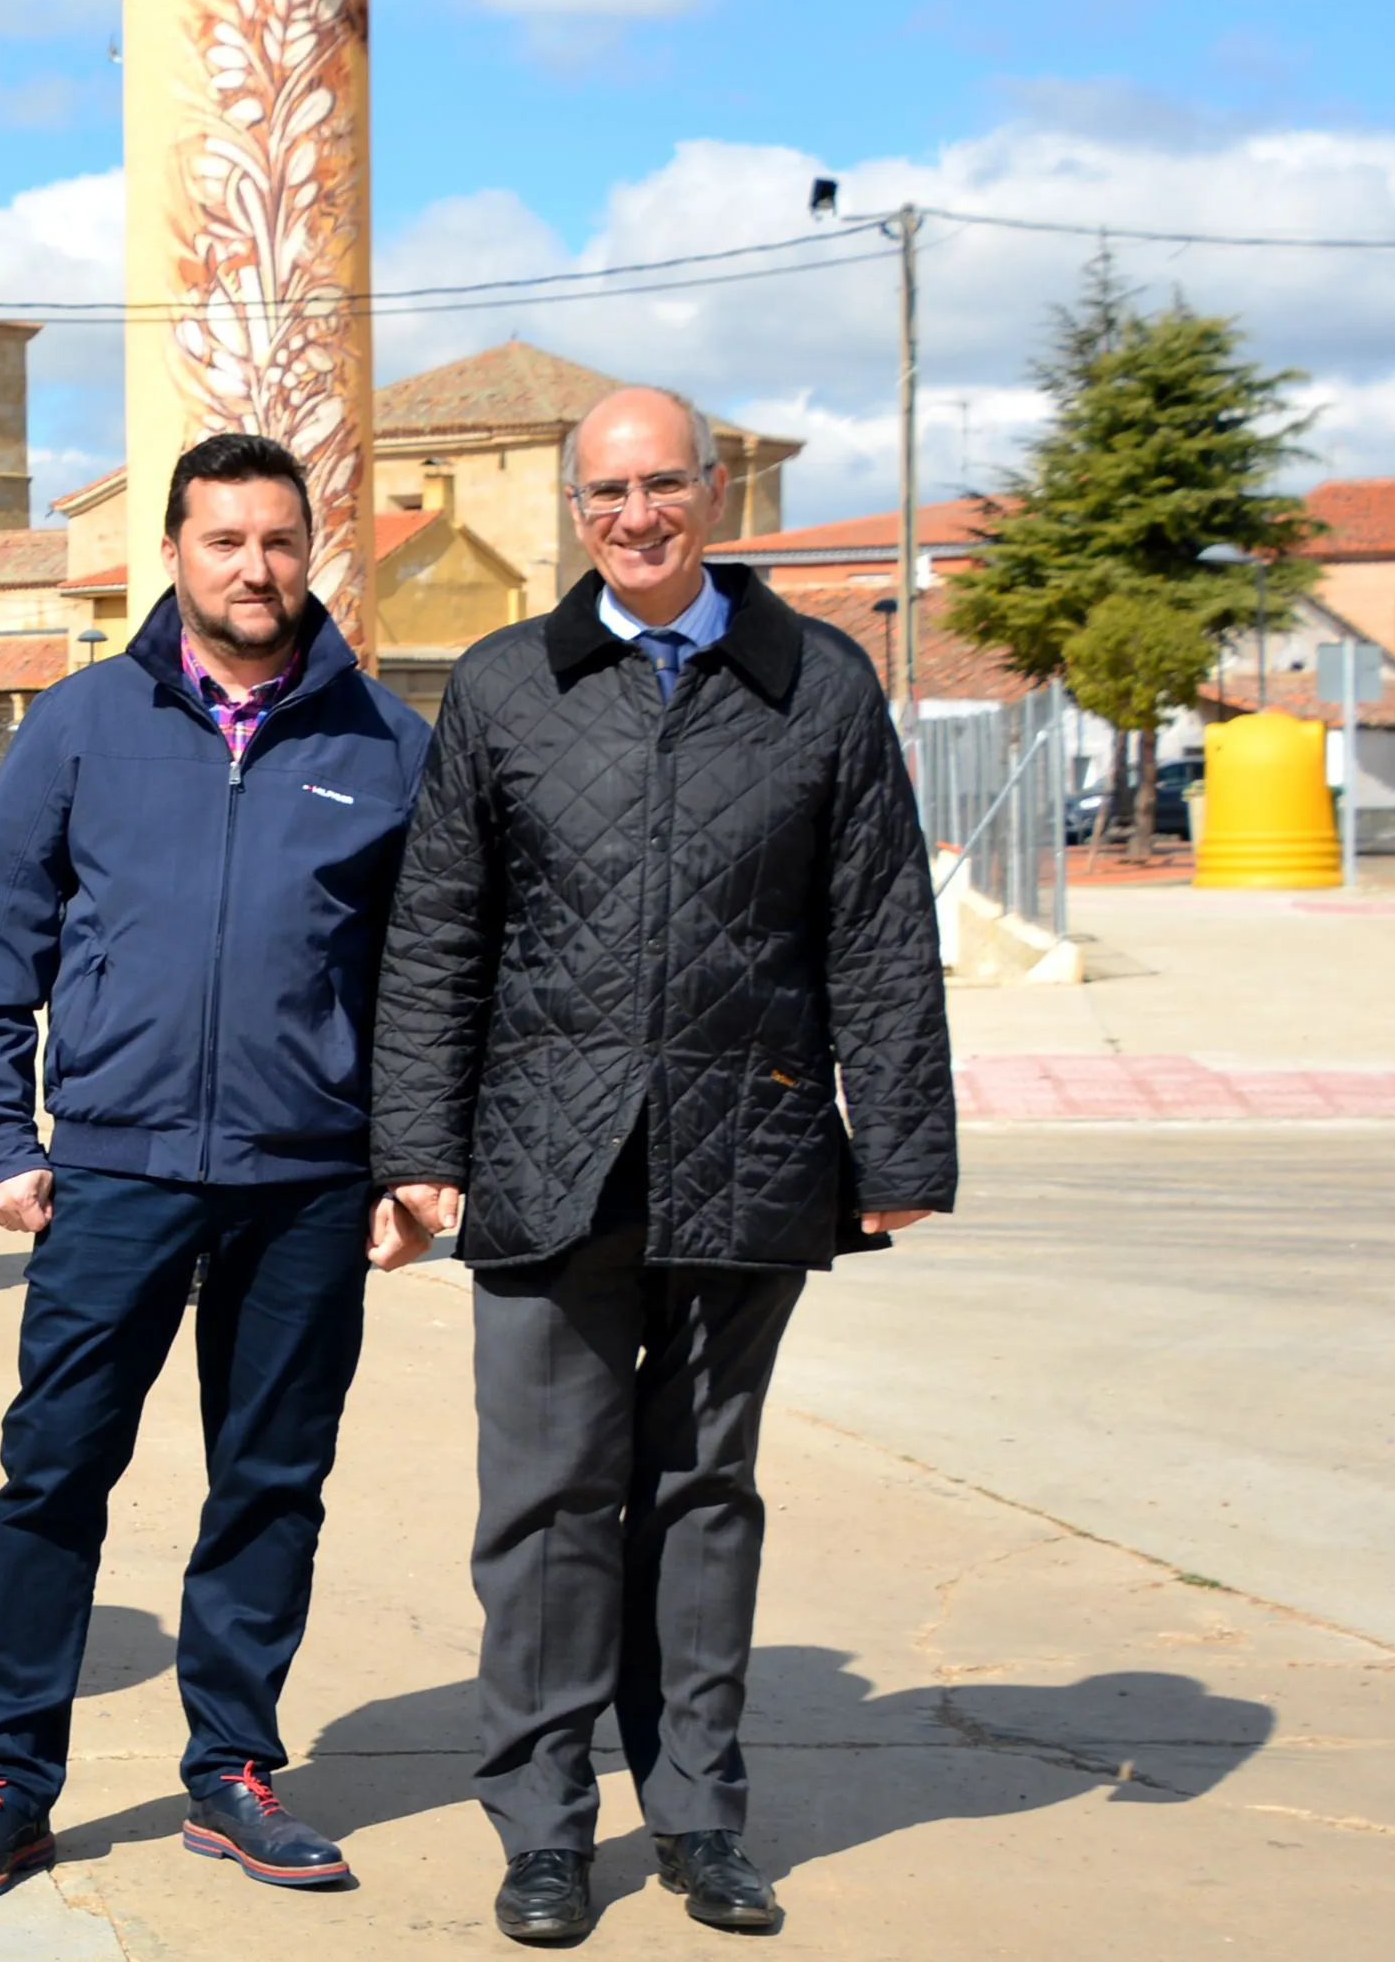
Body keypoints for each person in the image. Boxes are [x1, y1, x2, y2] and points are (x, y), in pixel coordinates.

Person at [370, 387, 956, 1945]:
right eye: (607, 493)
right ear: (578, 510)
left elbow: (881, 925)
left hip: (749, 1141)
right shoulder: (506, 686)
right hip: (546, 1155)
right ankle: (545, 1827)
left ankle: (698, 1814)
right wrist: (419, 1148)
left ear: (715, 489)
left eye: (664, 485)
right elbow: (437, 933)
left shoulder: (819, 686)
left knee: (706, 1493)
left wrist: (896, 1138)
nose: (636, 516)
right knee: (549, 1500)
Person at [0, 433, 434, 1907]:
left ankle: (232, 1770)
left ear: (310, 547)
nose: (253, 567)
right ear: (175, 553)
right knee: (56, 1470)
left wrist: (409, 1166)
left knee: (271, 1479)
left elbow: (427, 979)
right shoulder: (79, 725)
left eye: (277, 539)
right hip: (118, 1175)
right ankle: (10, 1779)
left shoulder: (388, 746)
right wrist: (2, 1139)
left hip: (310, 1177)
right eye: (224, 540)